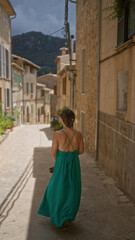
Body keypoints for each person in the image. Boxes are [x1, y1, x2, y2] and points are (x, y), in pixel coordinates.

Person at [37, 109, 84, 228]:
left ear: (62, 120)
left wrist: (61, 160)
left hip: (61, 163)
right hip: (74, 164)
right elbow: (81, 151)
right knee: (72, 190)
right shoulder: (78, 134)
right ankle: (67, 216)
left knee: (56, 189)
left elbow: (53, 153)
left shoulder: (58, 134)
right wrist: (71, 155)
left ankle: (59, 215)